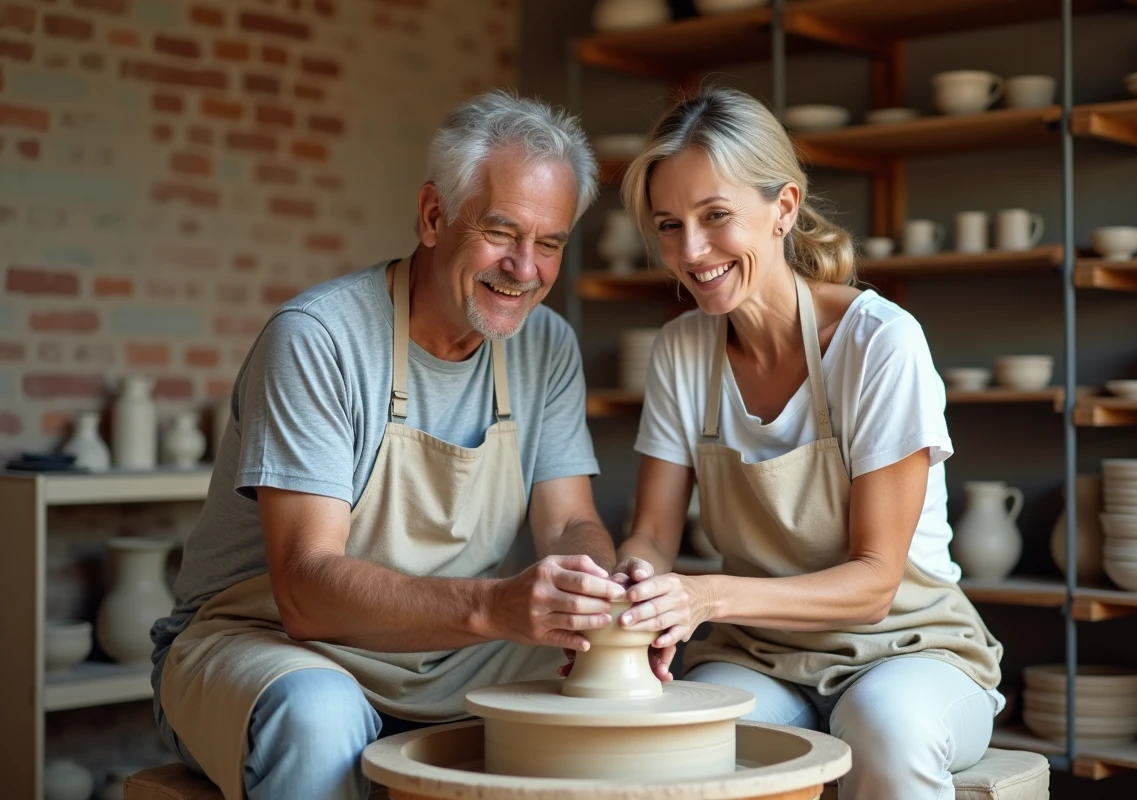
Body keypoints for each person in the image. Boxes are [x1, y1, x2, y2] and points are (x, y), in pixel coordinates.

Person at [149, 90, 640, 800]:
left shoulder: (548, 346)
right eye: (502, 232)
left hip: (452, 654)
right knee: (320, 718)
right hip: (270, 646)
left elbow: (568, 523)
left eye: (552, 243)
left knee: (615, 701)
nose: (525, 268)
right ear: (434, 216)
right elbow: (306, 592)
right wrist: (495, 608)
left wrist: (597, 593)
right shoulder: (319, 338)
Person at [610, 86, 1005, 799]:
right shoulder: (679, 352)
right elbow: (651, 533)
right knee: (687, 741)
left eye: (716, 216)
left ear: (784, 209)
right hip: (758, 655)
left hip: (911, 647)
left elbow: (876, 583)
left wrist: (702, 599)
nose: (690, 251)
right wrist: (634, 589)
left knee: (883, 725)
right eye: (669, 225)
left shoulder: (878, 343)